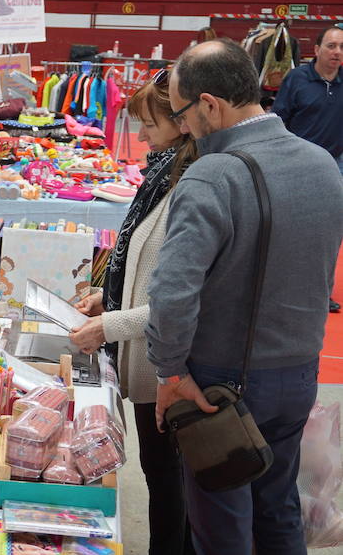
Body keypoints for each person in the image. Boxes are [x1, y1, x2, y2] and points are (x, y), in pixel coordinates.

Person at [146, 38, 343, 555]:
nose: (182, 127)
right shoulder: (323, 164)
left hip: (223, 386)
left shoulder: (215, 174)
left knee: (221, 528)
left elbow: (172, 293)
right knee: (278, 513)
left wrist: (169, 371)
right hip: (300, 373)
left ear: (211, 104)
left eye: (183, 113)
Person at [68, 69, 198, 555]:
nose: (139, 136)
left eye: (149, 123)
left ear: (181, 121)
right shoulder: (161, 178)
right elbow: (147, 264)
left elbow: (183, 296)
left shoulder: (188, 185)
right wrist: (110, 295)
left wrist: (111, 322)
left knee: (172, 488)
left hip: (168, 366)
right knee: (163, 480)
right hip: (148, 361)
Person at [273, 26, 343, 312]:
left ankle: (320, 294)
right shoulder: (296, 79)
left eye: (341, 46)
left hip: (336, 166)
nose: (337, 51)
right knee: (289, 227)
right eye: (331, 45)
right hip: (297, 165)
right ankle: (281, 288)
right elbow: (279, 119)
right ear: (316, 49)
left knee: (329, 233)